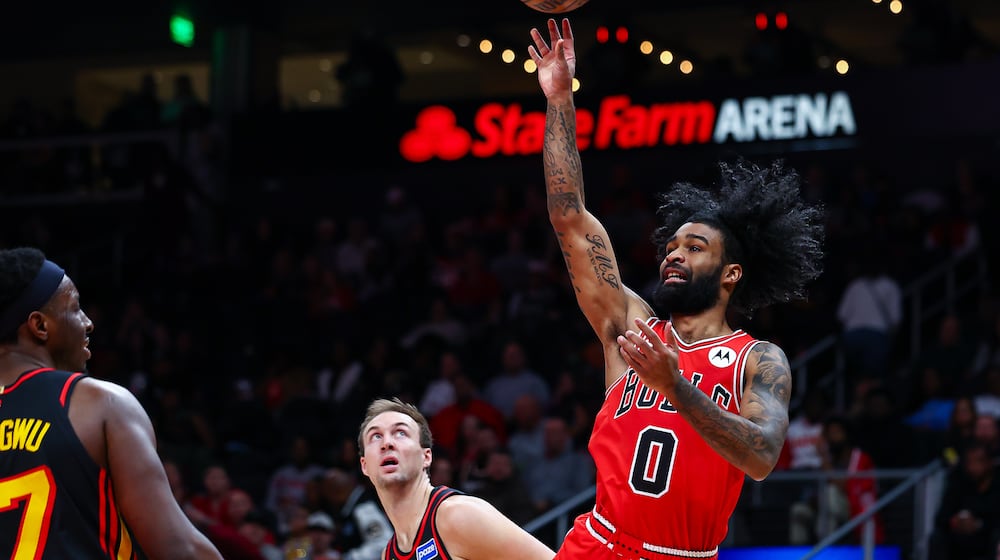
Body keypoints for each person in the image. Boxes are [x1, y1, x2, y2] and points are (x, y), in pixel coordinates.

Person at [528, 18, 826, 560]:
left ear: (731, 273)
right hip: (598, 546)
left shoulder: (758, 361)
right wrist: (560, 101)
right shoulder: (631, 328)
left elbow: (761, 457)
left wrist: (676, 386)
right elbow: (568, 217)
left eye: (694, 248)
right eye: (671, 246)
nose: (673, 253)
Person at [0, 247, 223, 559]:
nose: (88, 322)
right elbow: (179, 550)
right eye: (75, 308)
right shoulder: (99, 403)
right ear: (40, 326)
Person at [357, 397, 555, 560]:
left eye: (400, 433)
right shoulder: (389, 554)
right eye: (375, 436)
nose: (387, 443)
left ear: (426, 457)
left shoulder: (458, 515)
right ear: (364, 465)